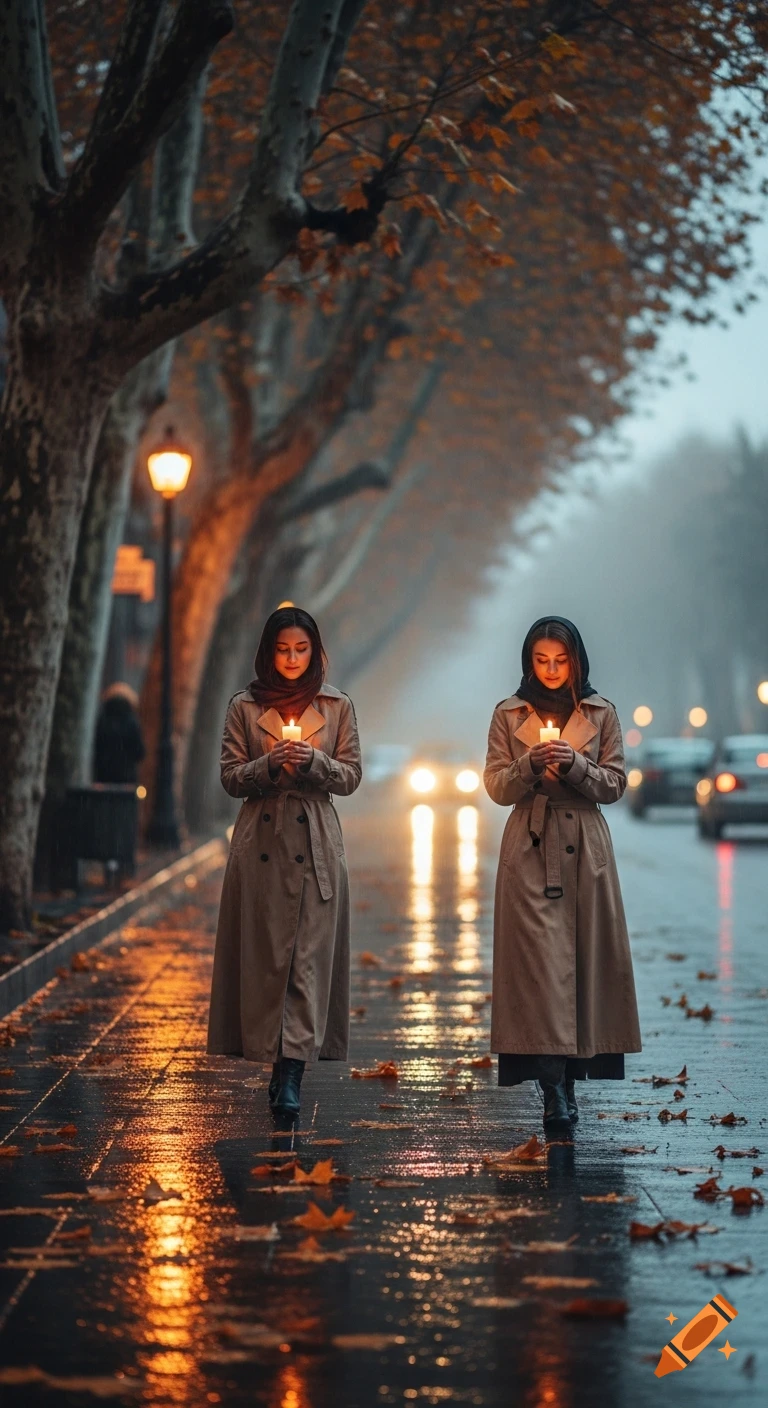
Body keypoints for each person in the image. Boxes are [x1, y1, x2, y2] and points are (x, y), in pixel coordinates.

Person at [483, 616, 641, 1132]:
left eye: (560, 660)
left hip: (586, 852)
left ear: (576, 660)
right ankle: (552, 1088)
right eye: (540, 660)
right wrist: (529, 765)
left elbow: (615, 784)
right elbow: (496, 787)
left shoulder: (601, 712)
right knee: (541, 973)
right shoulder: (508, 714)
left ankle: (569, 1082)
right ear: (528, 662)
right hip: (529, 849)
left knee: (581, 971)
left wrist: (575, 764)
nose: (550, 670)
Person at [207, 606, 362, 1123]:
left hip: (316, 843)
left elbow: (351, 775)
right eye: (282, 650)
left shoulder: (337, 706)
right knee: (268, 959)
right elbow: (230, 777)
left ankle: (293, 1071)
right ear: (268, 652)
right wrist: (268, 765)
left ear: (316, 652)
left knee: (307, 963)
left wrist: (315, 762)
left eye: (301, 650)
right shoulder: (244, 707)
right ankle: (274, 1061)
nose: (293, 659)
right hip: (262, 844)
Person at [93, 683, 146, 784]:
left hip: (104, 776)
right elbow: (139, 752)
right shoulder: (132, 722)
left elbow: (97, 748)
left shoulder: (103, 721)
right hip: (126, 778)